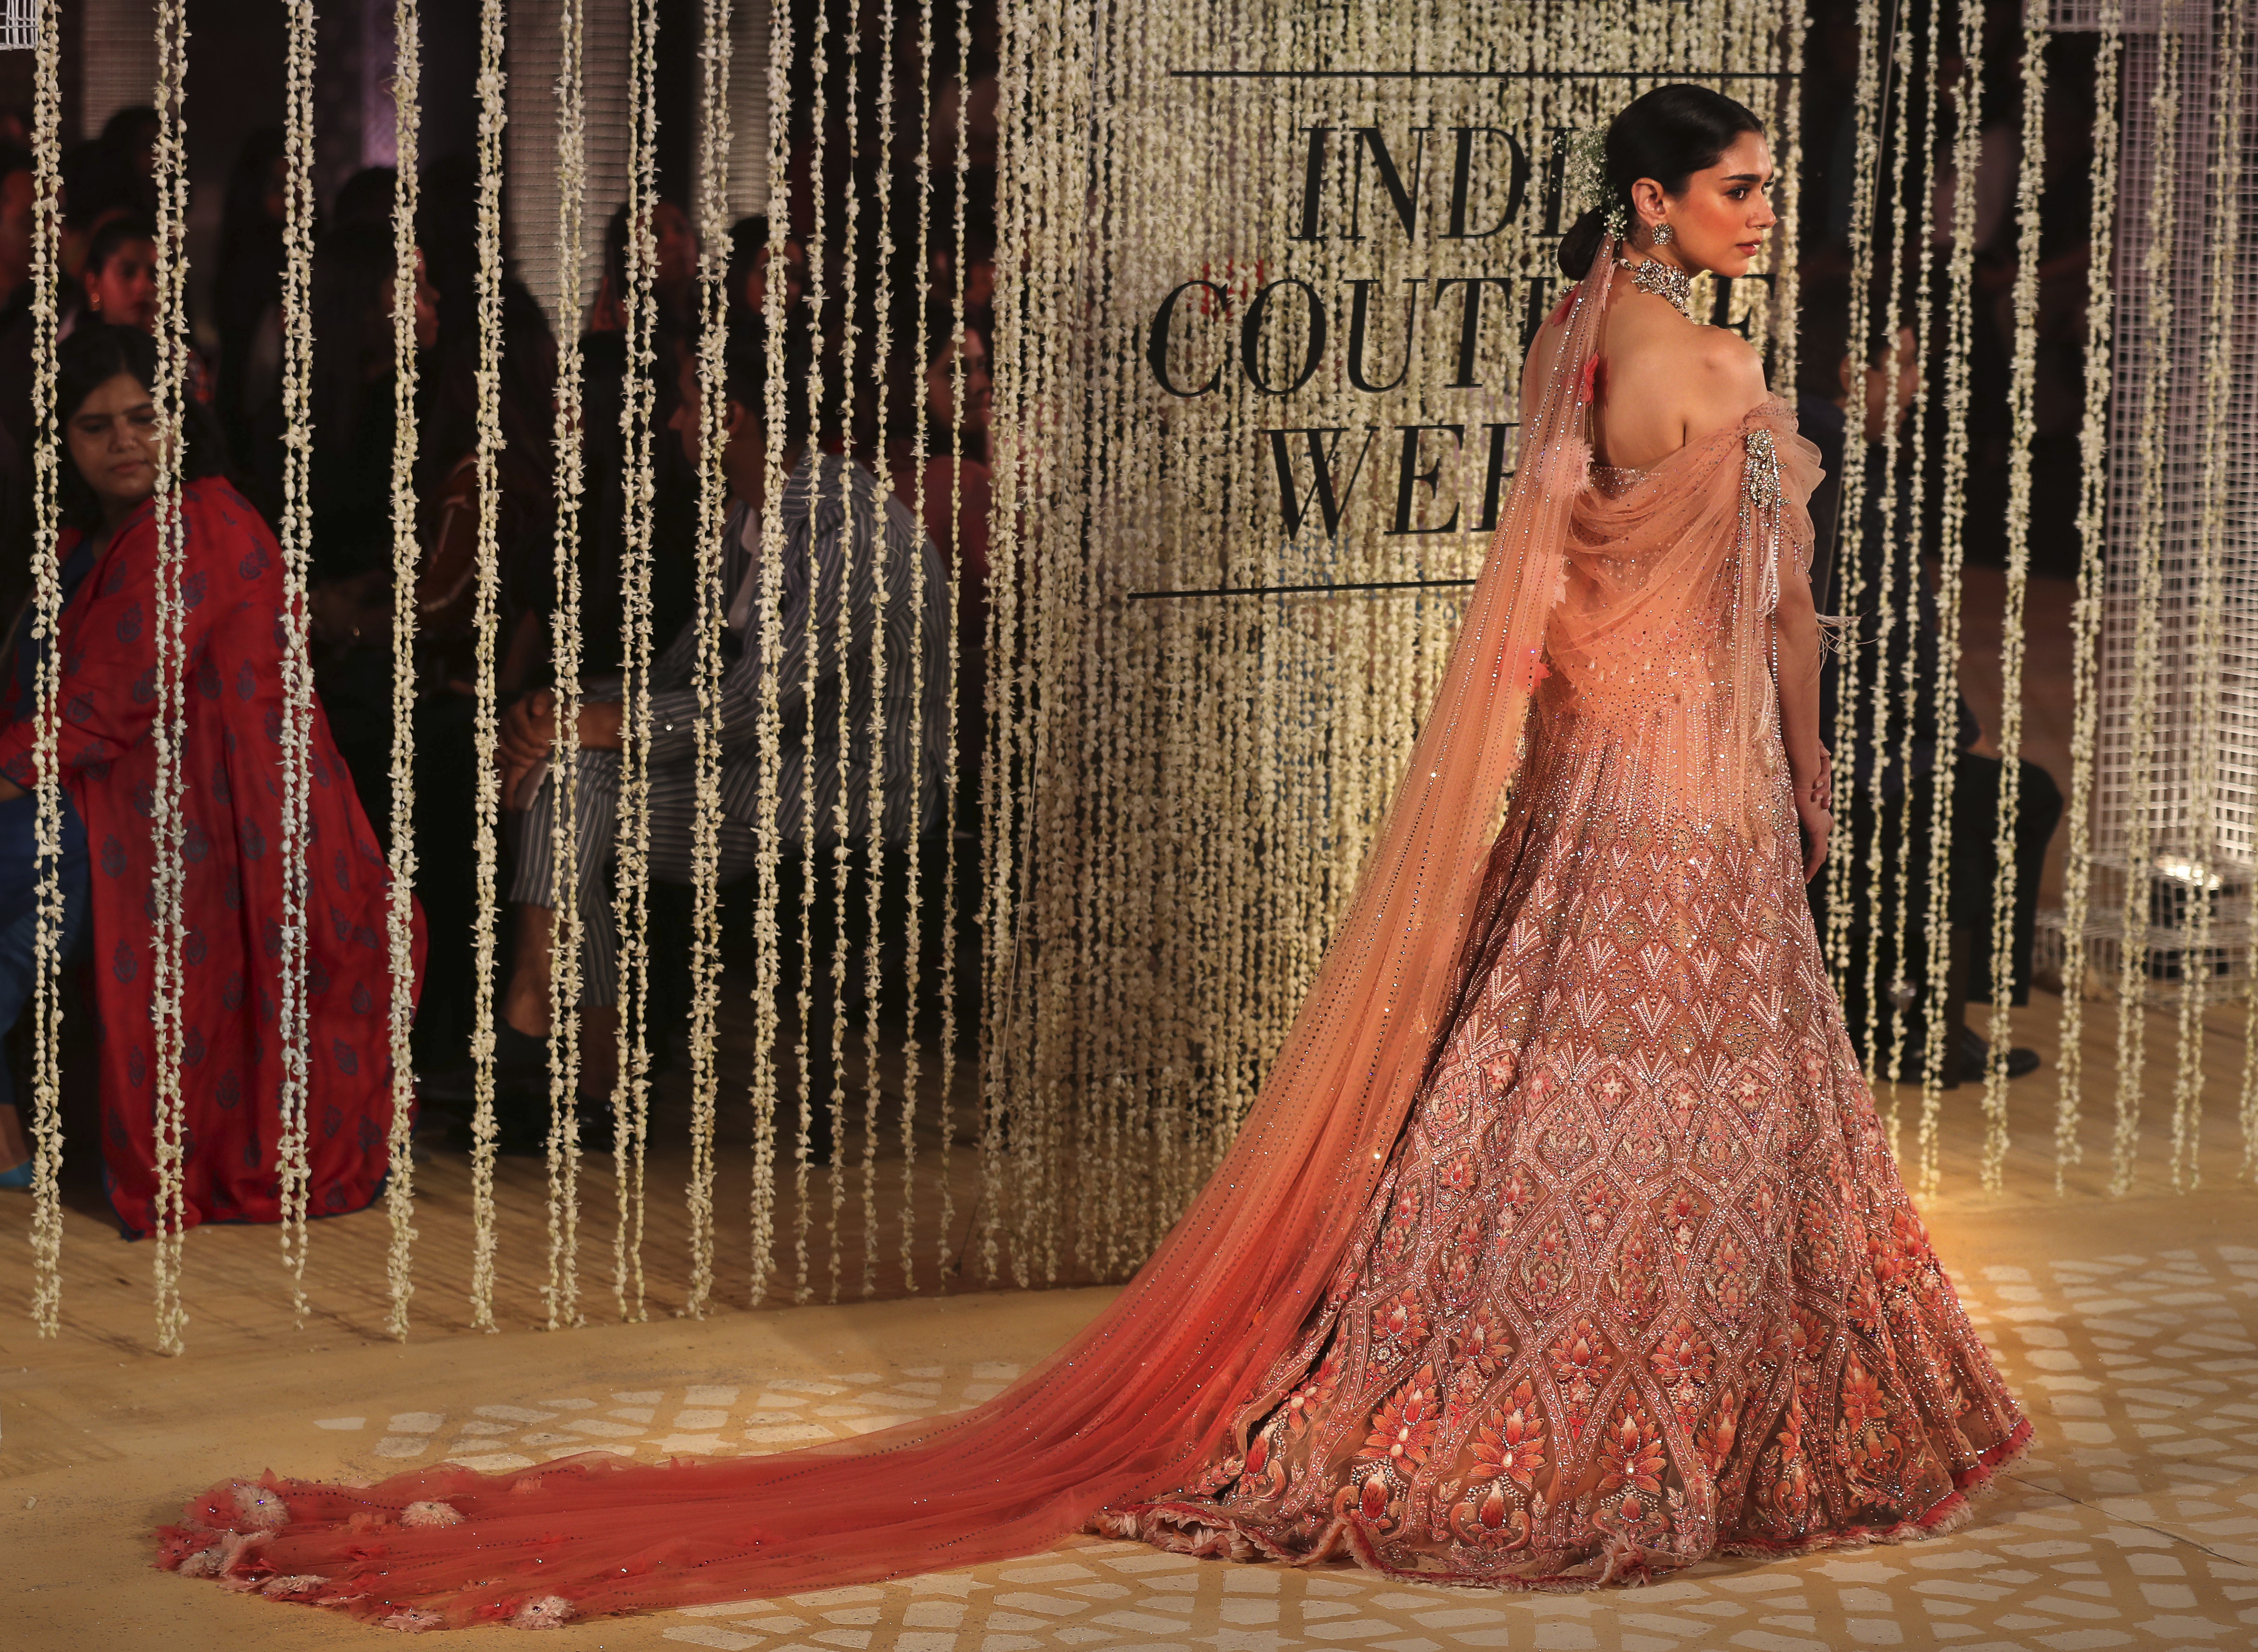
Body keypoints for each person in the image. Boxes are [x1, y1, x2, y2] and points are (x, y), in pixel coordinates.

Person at [159, 87, 2027, 1624]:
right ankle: (1677, 1406)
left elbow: (1538, 594)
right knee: (1704, 1089)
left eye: (1767, 186)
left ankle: (1506, 1375)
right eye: (1742, 186)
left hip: (1587, 764)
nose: (1764, 211)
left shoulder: (1575, 345)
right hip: (1691, 771)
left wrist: (1548, 764)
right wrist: (1805, 769)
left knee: (1538, 1087)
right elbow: (1780, 614)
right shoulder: (1722, 369)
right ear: (1655, 197)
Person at [472, 334, 948, 1146]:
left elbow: (757, 702)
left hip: (853, 781)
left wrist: (592, 728)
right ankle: (577, 1071)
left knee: (573, 782)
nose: (674, 421)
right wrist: (561, 712)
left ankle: (552, 1042)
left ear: (733, 416)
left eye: (689, 403)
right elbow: (682, 672)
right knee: (565, 777)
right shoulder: (755, 515)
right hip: (773, 763)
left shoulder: (850, 525)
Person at [0, 325, 419, 1228]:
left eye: (145, 417)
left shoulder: (200, 523)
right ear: (61, 441)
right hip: (156, 798)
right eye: (94, 425)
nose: (123, 442)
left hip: (241, 825)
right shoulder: (94, 534)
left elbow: (103, 706)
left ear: (181, 419)